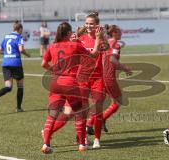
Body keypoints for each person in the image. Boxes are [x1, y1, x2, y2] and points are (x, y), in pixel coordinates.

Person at [41, 22, 103, 154]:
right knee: (80, 113)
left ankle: (46, 144)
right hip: (70, 83)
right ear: (69, 33)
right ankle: (82, 144)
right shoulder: (75, 45)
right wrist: (98, 37)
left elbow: (43, 64)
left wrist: (55, 70)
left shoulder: (52, 46)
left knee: (52, 115)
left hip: (55, 83)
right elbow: (94, 54)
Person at [87, 25, 132, 133]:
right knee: (117, 102)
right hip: (109, 78)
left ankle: (89, 123)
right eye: (120, 31)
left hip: (100, 76)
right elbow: (112, 59)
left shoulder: (104, 42)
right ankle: (100, 120)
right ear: (115, 32)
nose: (122, 33)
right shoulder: (115, 45)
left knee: (101, 102)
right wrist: (125, 68)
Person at [76, 12, 107, 149]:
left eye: (91, 24)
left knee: (97, 109)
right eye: (87, 23)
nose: (88, 26)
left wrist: (100, 37)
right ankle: (82, 138)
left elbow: (106, 48)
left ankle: (97, 139)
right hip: (82, 77)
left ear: (97, 26)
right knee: (82, 110)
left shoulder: (102, 39)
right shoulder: (79, 38)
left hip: (97, 78)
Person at [0, 20, 30, 112]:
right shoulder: (19, 37)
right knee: (20, 85)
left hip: (5, 64)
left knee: (8, 87)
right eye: (21, 29)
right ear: (20, 29)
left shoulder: (6, 37)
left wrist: (7, 54)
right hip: (16, 64)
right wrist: (27, 54)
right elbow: (21, 50)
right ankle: (18, 108)